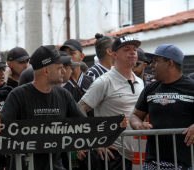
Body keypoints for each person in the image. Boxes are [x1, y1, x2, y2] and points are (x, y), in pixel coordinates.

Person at [0, 45, 103, 170]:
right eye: (60, 68)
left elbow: (84, 125)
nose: (64, 71)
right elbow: (2, 130)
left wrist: (108, 133)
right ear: (46, 71)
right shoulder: (17, 96)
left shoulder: (63, 95)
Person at [78, 35, 144, 170]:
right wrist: (94, 139)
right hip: (113, 155)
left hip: (138, 155)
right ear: (114, 54)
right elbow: (80, 108)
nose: (132, 52)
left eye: (135, 49)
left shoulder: (140, 82)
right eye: (126, 49)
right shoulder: (104, 82)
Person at [130, 44, 194, 170]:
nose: (151, 65)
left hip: (185, 164)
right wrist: (138, 125)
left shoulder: (191, 87)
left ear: (170, 64)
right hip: (152, 163)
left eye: (156, 61)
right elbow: (135, 115)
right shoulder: (150, 88)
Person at [60, 39, 93, 103]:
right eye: (64, 53)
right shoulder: (59, 83)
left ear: (81, 56)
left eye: (72, 53)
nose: (68, 57)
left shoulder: (92, 81)